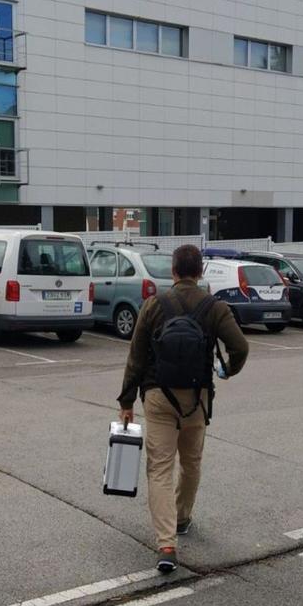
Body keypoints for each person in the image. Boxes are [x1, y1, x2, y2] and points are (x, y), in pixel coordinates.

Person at [118, 245, 250, 573]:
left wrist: (126, 402)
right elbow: (241, 347)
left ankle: (166, 544)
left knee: (160, 468)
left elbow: (135, 357)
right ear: (200, 272)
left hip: (158, 397)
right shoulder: (214, 307)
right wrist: (227, 370)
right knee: (190, 463)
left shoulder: (154, 304)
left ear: (174, 271)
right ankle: (182, 517)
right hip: (197, 399)